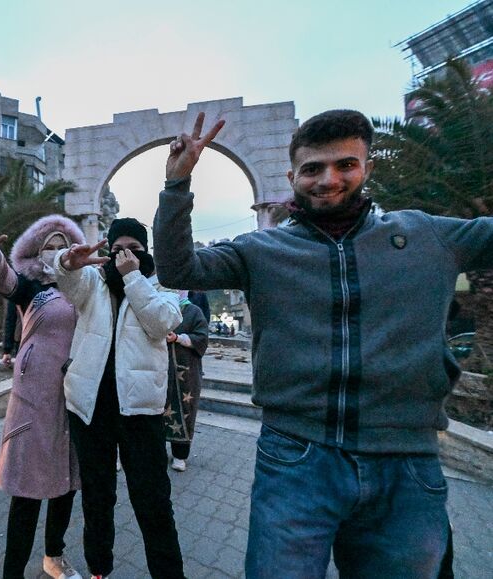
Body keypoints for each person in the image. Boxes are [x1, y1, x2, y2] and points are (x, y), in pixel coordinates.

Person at [153, 110, 493, 578]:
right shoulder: (262, 250)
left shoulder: (425, 235)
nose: (329, 180)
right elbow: (177, 271)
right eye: (313, 169)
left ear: (366, 168)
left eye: (345, 165)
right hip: (295, 458)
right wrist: (176, 186)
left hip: (405, 463)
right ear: (293, 177)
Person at [55, 218, 185, 579]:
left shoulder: (162, 285)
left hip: (141, 411)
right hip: (91, 408)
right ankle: (99, 569)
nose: (125, 255)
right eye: (117, 250)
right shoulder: (93, 283)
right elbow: (67, 285)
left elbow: (162, 323)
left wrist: (133, 278)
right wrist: (67, 262)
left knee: (153, 501)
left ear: (146, 252)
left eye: (134, 249)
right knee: (97, 498)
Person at [0, 215, 85, 579]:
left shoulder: (85, 287)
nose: (55, 252)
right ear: (36, 252)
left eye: (61, 244)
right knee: (29, 489)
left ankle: (54, 555)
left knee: (67, 483)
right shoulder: (32, 287)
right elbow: (6, 280)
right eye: (47, 246)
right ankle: (12, 571)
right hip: (36, 399)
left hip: (77, 397)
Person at [163, 291, 208, 472]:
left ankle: (180, 455)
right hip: (162, 370)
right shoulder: (161, 309)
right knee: (161, 410)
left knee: (185, 410)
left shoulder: (194, 311)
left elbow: (202, 337)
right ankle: (159, 451)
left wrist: (178, 338)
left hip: (187, 373)